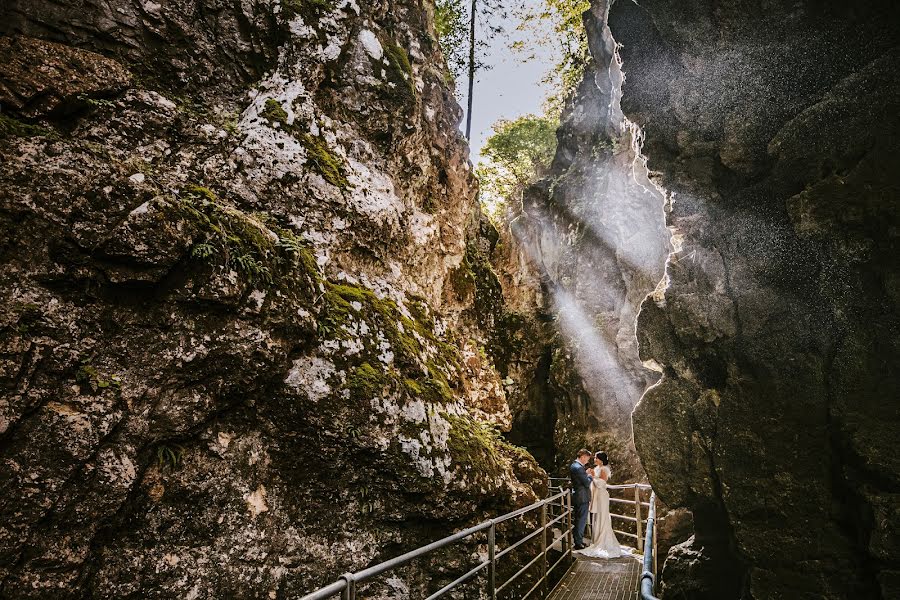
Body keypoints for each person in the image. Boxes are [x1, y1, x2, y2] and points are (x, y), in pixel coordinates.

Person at [577, 451, 626, 559]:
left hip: (602, 496)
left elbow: (602, 483)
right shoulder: (596, 469)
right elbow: (591, 481)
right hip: (596, 495)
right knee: (596, 517)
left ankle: (603, 540)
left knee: (602, 516)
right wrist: (589, 475)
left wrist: (593, 476)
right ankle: (596, 539)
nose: (594, 459)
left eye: (596, 457)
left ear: (600, 459)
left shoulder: (604, 469)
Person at [569, 449, 593, 550]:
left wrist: (585, 474)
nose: (587, 461)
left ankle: (578, 540)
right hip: (582, 497)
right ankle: (578, 543)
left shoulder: (574, 465)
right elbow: (586, 483)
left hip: (578, 496)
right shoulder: (578, 468)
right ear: (583, 456)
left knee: (578, 520)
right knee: (581, 520)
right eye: (587, 458)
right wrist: (590, 476)